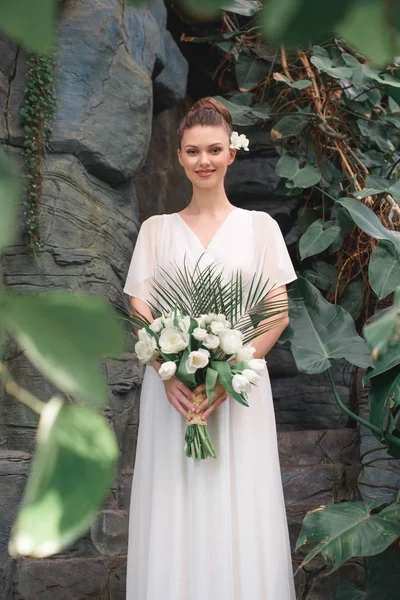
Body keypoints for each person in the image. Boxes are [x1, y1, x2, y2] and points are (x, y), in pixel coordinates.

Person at [123, 97, 297, 599]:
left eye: (214, 150)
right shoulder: (155, 230)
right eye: (193, 151)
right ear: (179, 155)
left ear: (231, 154)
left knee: (240, 505)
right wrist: (168, 370)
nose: (204, 161)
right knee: (173, 503)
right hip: (172, 395)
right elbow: (140, 304)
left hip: (238, 392)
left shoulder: (259, 227)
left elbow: (275, 311)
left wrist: (231, 370)